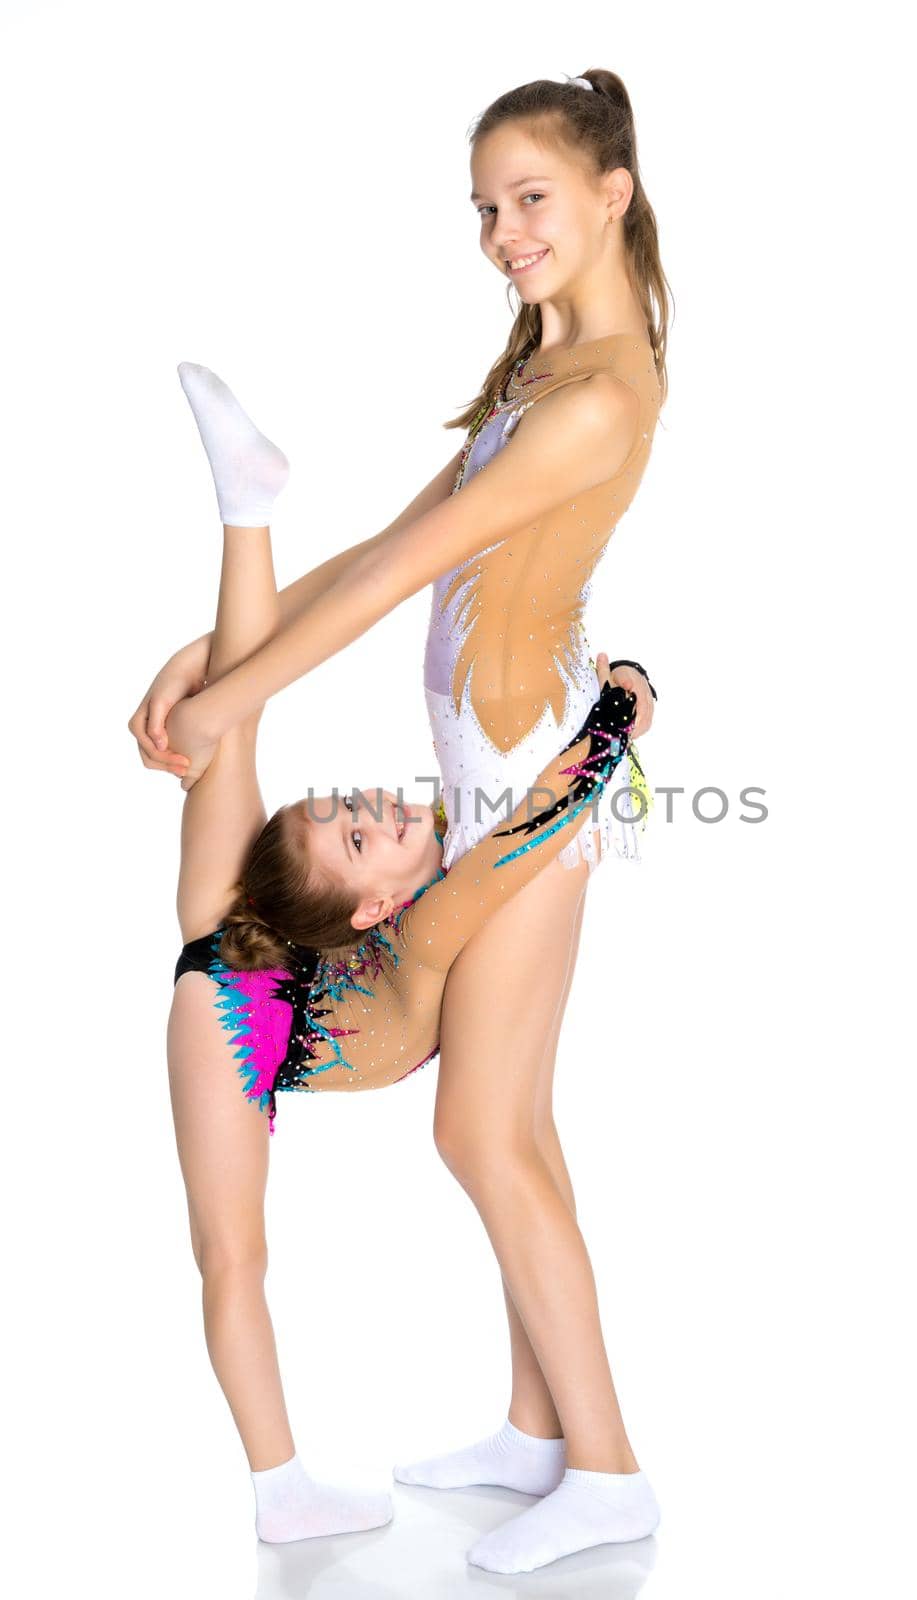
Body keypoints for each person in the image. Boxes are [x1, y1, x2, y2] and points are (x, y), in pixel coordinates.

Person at [133, 66, 669, 1575]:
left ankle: (609, 1471)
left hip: (524, 793)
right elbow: (382, 548)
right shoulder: (537, 376)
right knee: (508, 1123)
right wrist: (217, 657)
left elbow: (386, 589)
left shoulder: (602, 396)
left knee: (480, 1128)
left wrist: (236, 704)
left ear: (610, 195)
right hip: (492, 773)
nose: (502, 231)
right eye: (486, 209)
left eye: (531, 199)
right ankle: (535, 1428)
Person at [158, 395, 641, 1544]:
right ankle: (283, 1492)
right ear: (379, 903)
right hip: (224, 1013)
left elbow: (472, 815)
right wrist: (627, 700)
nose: (377, 805)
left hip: (251, 930)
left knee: (229, 726)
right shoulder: (418, 927)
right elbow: (532, 824)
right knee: (235, 1253)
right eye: (362, 833)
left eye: (348, 808)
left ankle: (247, 506)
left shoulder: (395, 871)